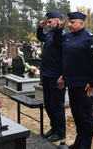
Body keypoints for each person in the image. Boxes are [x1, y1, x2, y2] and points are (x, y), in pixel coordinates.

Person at [56, 12, 93, 149]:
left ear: (81, 23)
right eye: (69, 22)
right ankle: (78, 142)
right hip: (72, 84)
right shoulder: (69, 37)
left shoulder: (90, 39)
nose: (70, 25)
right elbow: (68, 60)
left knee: (85, 118)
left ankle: (85, 145)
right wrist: (63, 76)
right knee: (77, 116)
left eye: (73, 22)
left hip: (85, 86)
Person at [36, 12, 66, 142]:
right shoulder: (49, 34)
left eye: (50, 22)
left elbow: (65, 56)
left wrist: (63, 76)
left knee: (57, 104)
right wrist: (40, 28)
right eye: (47, 22)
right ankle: (54, 128)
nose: (48, 24)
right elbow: (40, 37)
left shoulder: (62, 36)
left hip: (56, 76)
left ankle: (60, 132)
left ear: (58, 21)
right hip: (47, 74)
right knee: (48, 104)